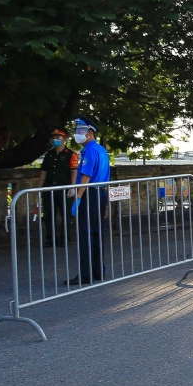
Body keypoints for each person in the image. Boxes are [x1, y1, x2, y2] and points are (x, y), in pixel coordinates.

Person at [68, 116, 110, 286]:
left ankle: (86, 274)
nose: (77, 134)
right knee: (97, 233)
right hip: (99, 193)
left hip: (89, 193)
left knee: (86, 234)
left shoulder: (90, 151)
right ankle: (99, 271)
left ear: (90, 133)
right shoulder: (101, 149)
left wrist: (78, 197)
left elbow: (86, 176)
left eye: (80, 131)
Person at [35, 129, 79, 244]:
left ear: (64, 140)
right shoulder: (49, 155)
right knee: (49, 214)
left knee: (66, 214)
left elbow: (74, 171)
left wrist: (72, 186)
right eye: (54, 138)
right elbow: (44, 171)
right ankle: (51, 239)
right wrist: (39, 188)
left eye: (59, 138)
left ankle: (65, 239)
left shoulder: (71, 154)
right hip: (49, 186)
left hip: (64, 186)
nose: (56, 140)